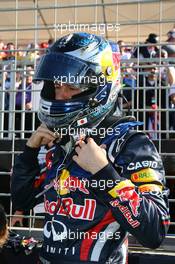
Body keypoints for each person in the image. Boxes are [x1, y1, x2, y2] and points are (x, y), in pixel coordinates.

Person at [11, 32, 170, 264]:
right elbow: (23, 201)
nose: (61, 95)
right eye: (57, 85)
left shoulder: (130, 143)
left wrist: (104, 172)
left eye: (72, 86)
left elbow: (154, 231)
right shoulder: (62, 140)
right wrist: (30, 152)